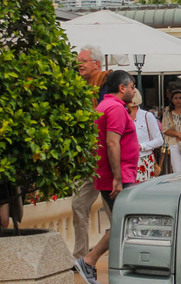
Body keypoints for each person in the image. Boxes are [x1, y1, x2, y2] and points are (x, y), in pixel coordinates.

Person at [74, 71, 139, 284]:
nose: (134, 90)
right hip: (118, 177)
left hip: (111, 176)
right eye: (132, 86)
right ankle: (88, 261)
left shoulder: (104, 106)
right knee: (124, 225)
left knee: (124, 224)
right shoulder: (115, 108)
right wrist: (118, 179)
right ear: (122, 88)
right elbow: (112, 143)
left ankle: (119, 267)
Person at [71, 45, 111, 260]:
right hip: (88, 158)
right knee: (78, 204)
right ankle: (79, 257)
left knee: (115, 214)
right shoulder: (77, 87)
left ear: (96, 63)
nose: (80, 64)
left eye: (84, 60)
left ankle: (119, 256)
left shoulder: (107, 85)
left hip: (106, 159)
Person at [127, 90, 163, 182]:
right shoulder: (123, 115)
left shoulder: (147, 116)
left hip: (145, 159)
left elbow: (159, 140)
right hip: (127, 160)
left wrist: (141, 146)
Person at [162, 89, 181, 173]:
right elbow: (165, 129)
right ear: (172, 100)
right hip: (174, 143)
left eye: (180, 97)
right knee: (177, 170)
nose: (178, 100)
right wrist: (178, 134)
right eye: (175, 98)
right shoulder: (167, 113)